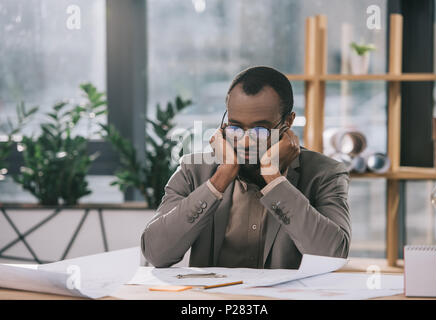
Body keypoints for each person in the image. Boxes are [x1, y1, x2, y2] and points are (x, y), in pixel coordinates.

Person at [141, 66, 351, 269]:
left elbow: (332, 257)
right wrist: (219, 179)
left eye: (260, 130)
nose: (246, 142)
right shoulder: (193, 171)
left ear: (288, 122)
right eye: (235, 128)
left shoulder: (325, 174)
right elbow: (156, 253)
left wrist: (274, 179)